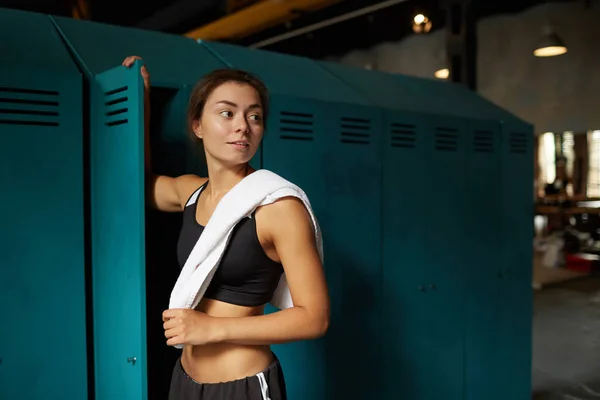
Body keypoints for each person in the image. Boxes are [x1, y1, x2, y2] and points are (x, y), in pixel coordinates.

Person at [121, 56, 330, 400]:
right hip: (185, 379)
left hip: (243, 385)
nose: (243, 126)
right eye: (227, 113)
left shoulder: (277, 207)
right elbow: (141, 186)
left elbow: (315, 318)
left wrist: (210, 328)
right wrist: (139, 101)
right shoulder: (192, 192)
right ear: (197, 125)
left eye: (254, 116)